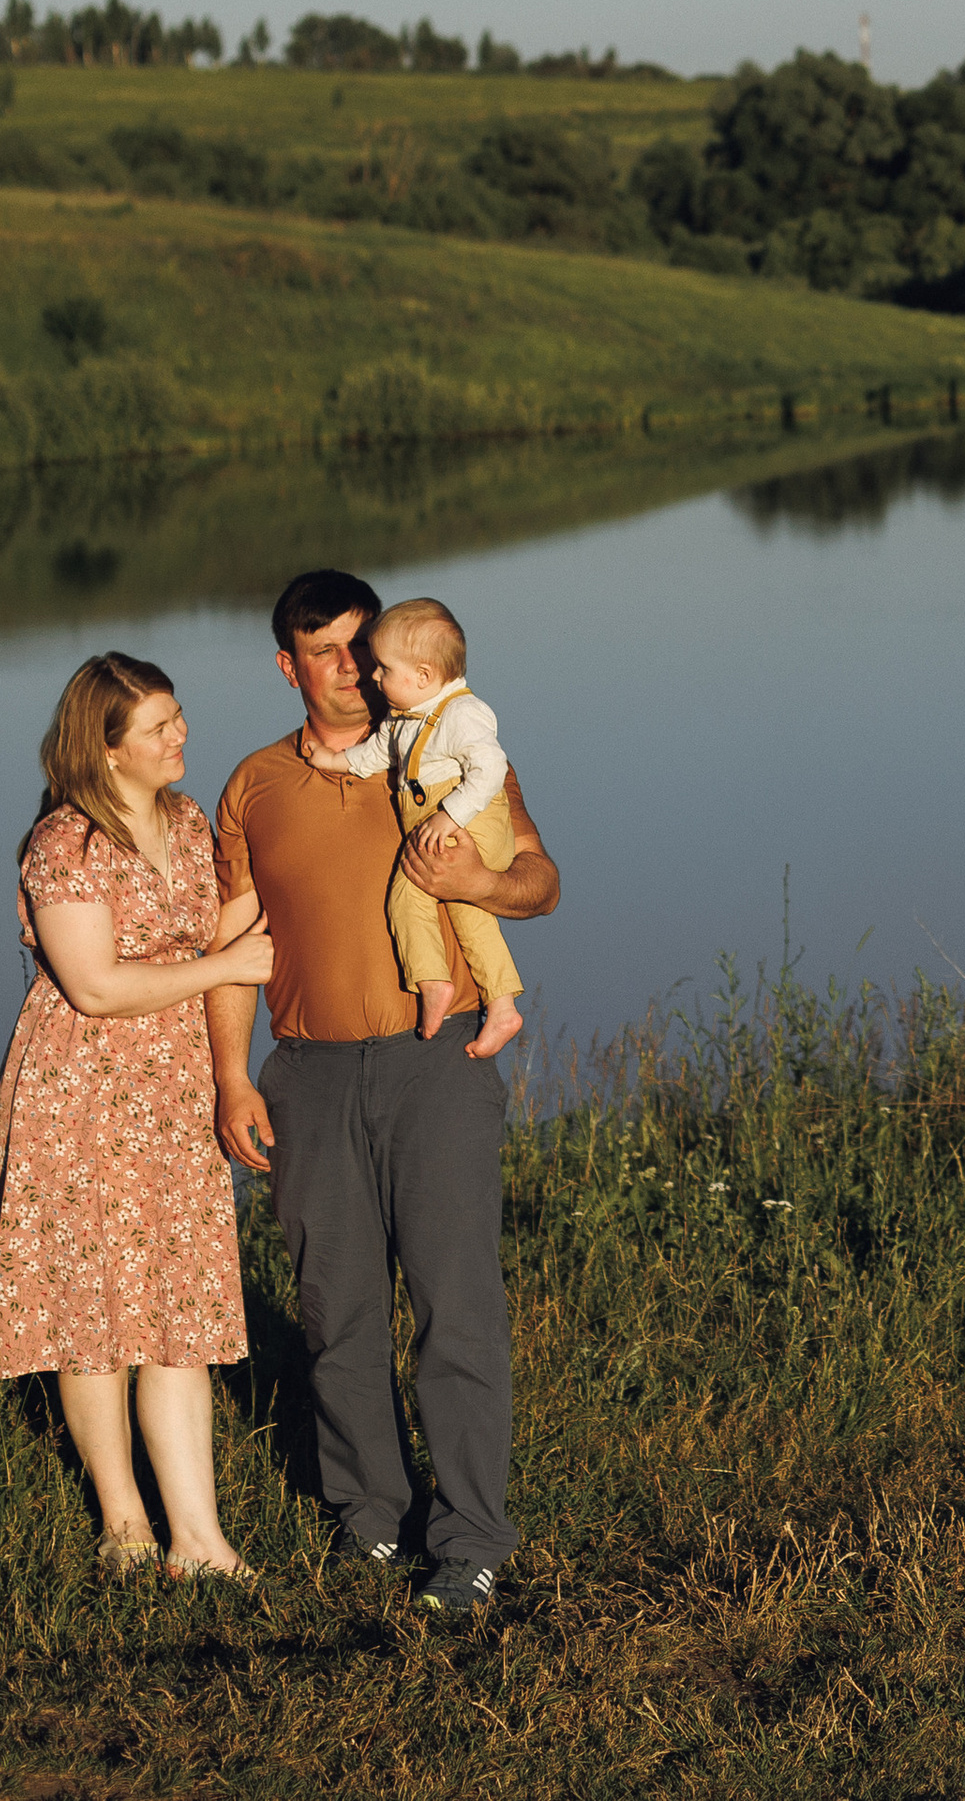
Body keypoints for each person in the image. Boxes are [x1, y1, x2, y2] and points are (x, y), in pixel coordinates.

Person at [210, 570, 560, 1617]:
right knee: (335, 1312)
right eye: (327, 652)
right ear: (289, 663)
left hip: (437, 1063)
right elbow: (234, 946)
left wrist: (478, 888)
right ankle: (369, 1525)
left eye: (367, 649)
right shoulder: (251, 786)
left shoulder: (446, 749)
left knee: (457, 1308)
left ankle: (469, 1542)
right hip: (306, 1072)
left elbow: (540, 878)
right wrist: (231, 1075)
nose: (354, 671)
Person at [3, 653, 275, 1578]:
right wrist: (227, 969)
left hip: (173, 1094)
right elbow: (94, 986)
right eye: (158, 726)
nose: (180, 736)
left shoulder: (192, 822)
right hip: (80, 1095)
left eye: (179, 717)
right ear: (107, 748)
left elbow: (226, 929)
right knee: (96, 1315)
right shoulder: (64, 845)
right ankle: (123, 1522)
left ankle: (198, 1540)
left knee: (180, 1310)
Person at [336, 597, 524, 1060]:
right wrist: (336, 761)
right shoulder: (407, 715)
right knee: (470, 912)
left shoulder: (462, 713)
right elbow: (378, 754)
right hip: (446, 827)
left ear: (422, 676)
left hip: (471, 826)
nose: (371, 677)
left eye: (381, 668)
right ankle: (502, 1005)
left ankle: (432, 982)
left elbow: (491, 767)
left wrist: (450, 814)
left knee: (409, 891)